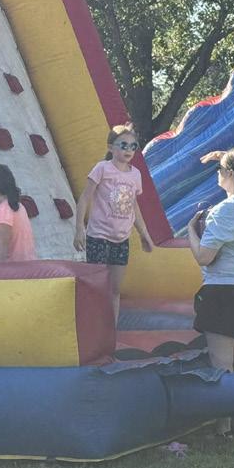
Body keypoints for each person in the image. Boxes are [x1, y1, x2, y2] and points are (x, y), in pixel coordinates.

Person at [187, 148, 234, 437]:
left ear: (230, 174)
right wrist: (225, 154)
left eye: (220, 169)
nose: (217, 174)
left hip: (222, 291)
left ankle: (224, 426)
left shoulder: (224, 211)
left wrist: (191, 231)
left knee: (221, 363)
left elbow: (204, 257)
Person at [74, 125, 155, 325]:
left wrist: (144, 233)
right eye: (123, 145)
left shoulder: (135, 175)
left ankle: (111, 328)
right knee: (96, 286)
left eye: (133, 146)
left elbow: (133, 205)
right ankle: (92, 326)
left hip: (121, 238)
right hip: (99, 236)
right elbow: (85, 198)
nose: (129, 150)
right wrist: (79, 229)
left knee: (115, 288)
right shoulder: (102, 169)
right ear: (111, 147)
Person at [0, 164, 35, 263]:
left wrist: (1, 269)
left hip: (13, 266)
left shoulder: (1, 212)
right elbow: (0, 242)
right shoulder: (17, 206)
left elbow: (2, 245)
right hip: (28, 263)